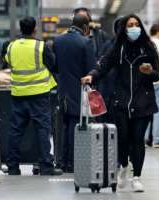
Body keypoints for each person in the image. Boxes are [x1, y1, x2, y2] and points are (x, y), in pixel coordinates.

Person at [81, 14, 159, 192]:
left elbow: (158, 75)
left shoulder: (149, 48)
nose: (134, 28)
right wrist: (91, 75)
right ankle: (124, 165)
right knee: (123, 139)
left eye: (136, 24)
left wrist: (149, 72)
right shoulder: (118, 48)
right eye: (130, 25)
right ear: (124, 29)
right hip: (121, 100)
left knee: (138, 140)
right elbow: (103, 65)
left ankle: (137, 176)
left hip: (143, 102)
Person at [4, 16, 62, 176]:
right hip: (39, 94)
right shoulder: (41, 46)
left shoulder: (11, 46)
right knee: (42, 130)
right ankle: (45, 166)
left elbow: (7, 62)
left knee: (15, 131)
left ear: (20, 29)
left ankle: (13, 167)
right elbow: (53, 65)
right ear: (35, 29)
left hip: (18, 94)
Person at [53, 15, 96, 172]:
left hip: (62, 90)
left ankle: (61, 162)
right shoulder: (86, 42)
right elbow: (91, 69)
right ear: (85, 27)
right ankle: (72, 162)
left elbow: (55, 67)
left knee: (62, 126)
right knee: (75, 125)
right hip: (79, 90)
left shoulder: (58, 41)